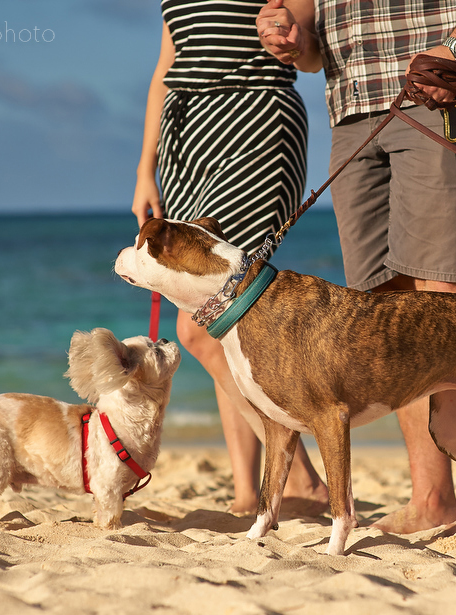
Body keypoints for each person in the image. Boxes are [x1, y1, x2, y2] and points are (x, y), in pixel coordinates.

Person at [257, 0, 456, 533]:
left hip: (442, 85)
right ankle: (431, 499)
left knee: (446, 294)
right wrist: (292, 40)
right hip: (352, 105)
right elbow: (310, 46)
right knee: (385, 315)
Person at [132, 0, 328, 516]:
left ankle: (301, 477)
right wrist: (144, 169)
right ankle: (252, 490)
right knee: (225, 329)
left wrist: (291, 37)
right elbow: (165, 70)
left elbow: (309, 47)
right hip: (187, 142)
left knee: (203, 323)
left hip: (256, 126)